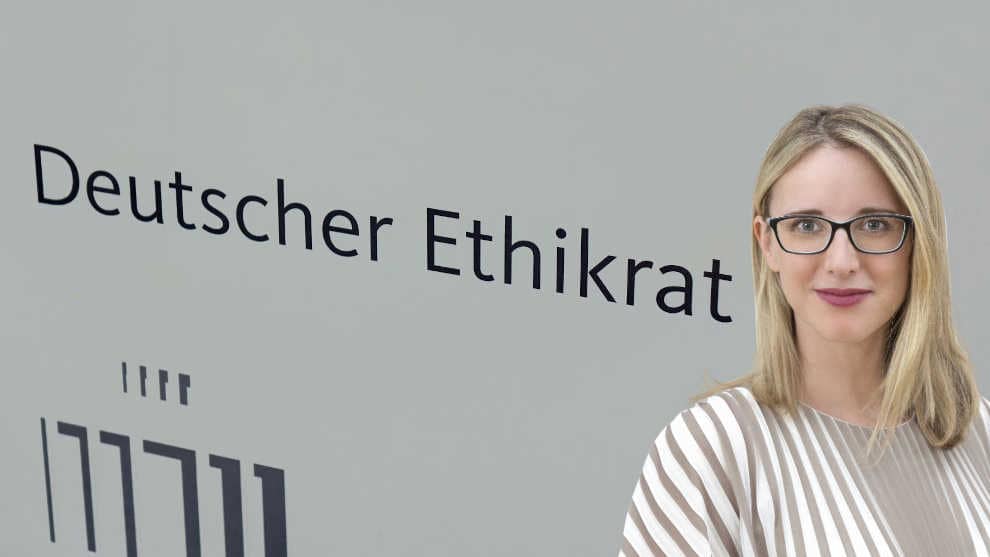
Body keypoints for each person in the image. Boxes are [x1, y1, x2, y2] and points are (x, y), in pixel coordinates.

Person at [617, 104, 990, 556]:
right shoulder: (712, 450)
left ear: (918, 242)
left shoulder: (981, 433)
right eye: (807, 226)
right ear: (767, 243)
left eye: (874, 225)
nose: (841, 262)